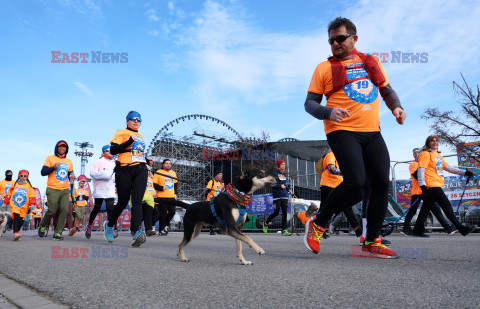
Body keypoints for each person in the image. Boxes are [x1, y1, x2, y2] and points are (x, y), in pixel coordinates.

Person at [304, 17, 406, 258]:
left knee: (380, 184)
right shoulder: (324, 68)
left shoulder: (371, 61)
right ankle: (318, 224)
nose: (335, 44)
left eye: (340, 38)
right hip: (341, 129)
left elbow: (386, 90)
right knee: (356, 181)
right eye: (331, 41)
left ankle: (372, 240)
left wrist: (396, 108)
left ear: (354, 38)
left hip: (372, 131)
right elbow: (309, 103)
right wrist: (328, 112)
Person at [414, 135, 476, 236]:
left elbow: (449, 168)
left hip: (437, 184)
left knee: (425, 209)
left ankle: (417, 229)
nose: (435, 142)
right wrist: (422, 185)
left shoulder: (438, 156)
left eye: (437, 141)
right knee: (446, 205)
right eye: (432, 141)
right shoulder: (425, 154)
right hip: (431, 185)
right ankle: (461, 228)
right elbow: (421, 170)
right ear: (428, 143)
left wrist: (464, 172)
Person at [104, 111, 148, 247]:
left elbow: (137, 153)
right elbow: (113, 150)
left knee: (137, 201)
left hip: (140, 169)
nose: (136, 121)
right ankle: (110, 225)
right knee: (123, 202)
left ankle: (136, 232)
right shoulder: (121, 132)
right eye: (133, 119)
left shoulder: (141, 136)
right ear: (127, 121)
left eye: (139, 120)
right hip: (124, 170)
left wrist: (147, 161)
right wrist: (129, 140)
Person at [402, 147, 451, 236]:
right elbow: (418, 176)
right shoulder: (414, 164)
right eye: (417, 153)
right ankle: (405, 228)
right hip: (418, 191)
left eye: (420, 153)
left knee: (436, 209)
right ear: (414, 155)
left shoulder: (424, 163)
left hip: (426, 191)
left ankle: (448, 228)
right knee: (413, 211)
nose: (419, 154)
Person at [318, 149, 361, 237]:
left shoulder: (338, 156)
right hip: (328, 185)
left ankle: (357, 228)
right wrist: (347, 173)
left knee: (346, 205)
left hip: (337, 184)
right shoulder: (331, 154)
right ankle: (317, 228)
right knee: (324, 208)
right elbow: (331, 168)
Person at [38, 140, 74, 240]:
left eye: (64, 147)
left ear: (66, 149)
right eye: (60, 147)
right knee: (52, 210)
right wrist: (53, 167)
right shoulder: (50, 158)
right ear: (56, 148)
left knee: (64, 210)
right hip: (52, 188)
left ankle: (58, 233)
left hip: (64, 190)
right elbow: (43, 172)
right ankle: (42, 225)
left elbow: (70, 174)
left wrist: (72, 177)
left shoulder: (69, 161)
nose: (62, 148)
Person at [86, 145, 116, 239]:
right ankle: (89, 225)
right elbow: (92, 173)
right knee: (97, 208)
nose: (110, 152)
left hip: (110, 188)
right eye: (108, 151)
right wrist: (104, 175)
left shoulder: (115, 162)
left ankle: (110, 228)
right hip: (100, 188)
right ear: (104, 152)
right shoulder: (99, 162)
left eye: (112, 150)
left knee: (111, 208)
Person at [153, 159, 189, 236]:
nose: (168, 165)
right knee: (163, 214)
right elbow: (154, 184)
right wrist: (161, 188)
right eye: (166, 163)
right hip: (162, 197)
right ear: (163, 164)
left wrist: (175, 193)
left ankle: (165, 225)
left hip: (171, 197)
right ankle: (161, 229)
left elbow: (175, 184)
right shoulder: (158, 172)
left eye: (169, 163)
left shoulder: (173, 173)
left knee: (172, 212)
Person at [4, 170, 36, 241]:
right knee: (16, 217)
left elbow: (32, 196)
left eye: (25, 176)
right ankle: (15, 233)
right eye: (21, 176)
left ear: (27, 177)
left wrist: (32, 204)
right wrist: (5, 202)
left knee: (21, 220)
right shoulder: (15, 185)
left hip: (24, 206)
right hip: (14, 204)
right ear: (19, 176)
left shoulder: (29, 186)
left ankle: (18, 231)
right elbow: (9, 194)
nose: (23, 177)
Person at [263, 160, 293, 236]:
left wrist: (288, 189)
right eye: (282, 164)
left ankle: (284, 230)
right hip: (277, 196)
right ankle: (266, 223)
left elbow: (285, 184)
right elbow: (272, 184)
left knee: (284, 213)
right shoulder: (275, 174)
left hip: (285, 196)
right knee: (276, 212)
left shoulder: (285, 174)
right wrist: (280, 186)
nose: (284, 166)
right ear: (278, 165)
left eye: (284, 164)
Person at [143, 158, 158, 236]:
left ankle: (149, 229)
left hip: (150, 196)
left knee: (151, 213)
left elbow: (152, 185)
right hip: (142, 195)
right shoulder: (141, 174)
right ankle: (134, 229)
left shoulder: (150, 176)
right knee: (141, 214)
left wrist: (154, 192)